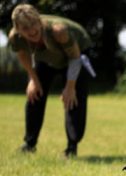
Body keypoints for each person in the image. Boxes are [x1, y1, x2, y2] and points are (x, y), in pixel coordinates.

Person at [8, 4, 94, 157]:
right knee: (35, 94)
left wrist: (69, 87)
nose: (32, 30)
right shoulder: (15, 37)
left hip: (76, 55)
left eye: (34, 24)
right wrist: (33, 80)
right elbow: (23, 55)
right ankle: (29, 144)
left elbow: (74, 57)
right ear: (18, 29)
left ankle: (71, 148)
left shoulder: (58, 31)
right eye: (25, 28)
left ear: (39, 20)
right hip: (46, 57)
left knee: (72, 99)